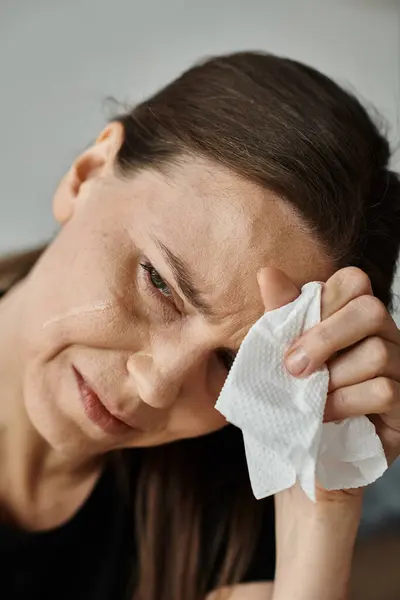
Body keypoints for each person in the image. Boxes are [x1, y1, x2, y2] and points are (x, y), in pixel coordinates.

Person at [1, 50, 400, 600]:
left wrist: (324, 505)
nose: (157, 385)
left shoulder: (231, 522)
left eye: (234, 363)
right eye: (160, 283)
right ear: (88, 174)